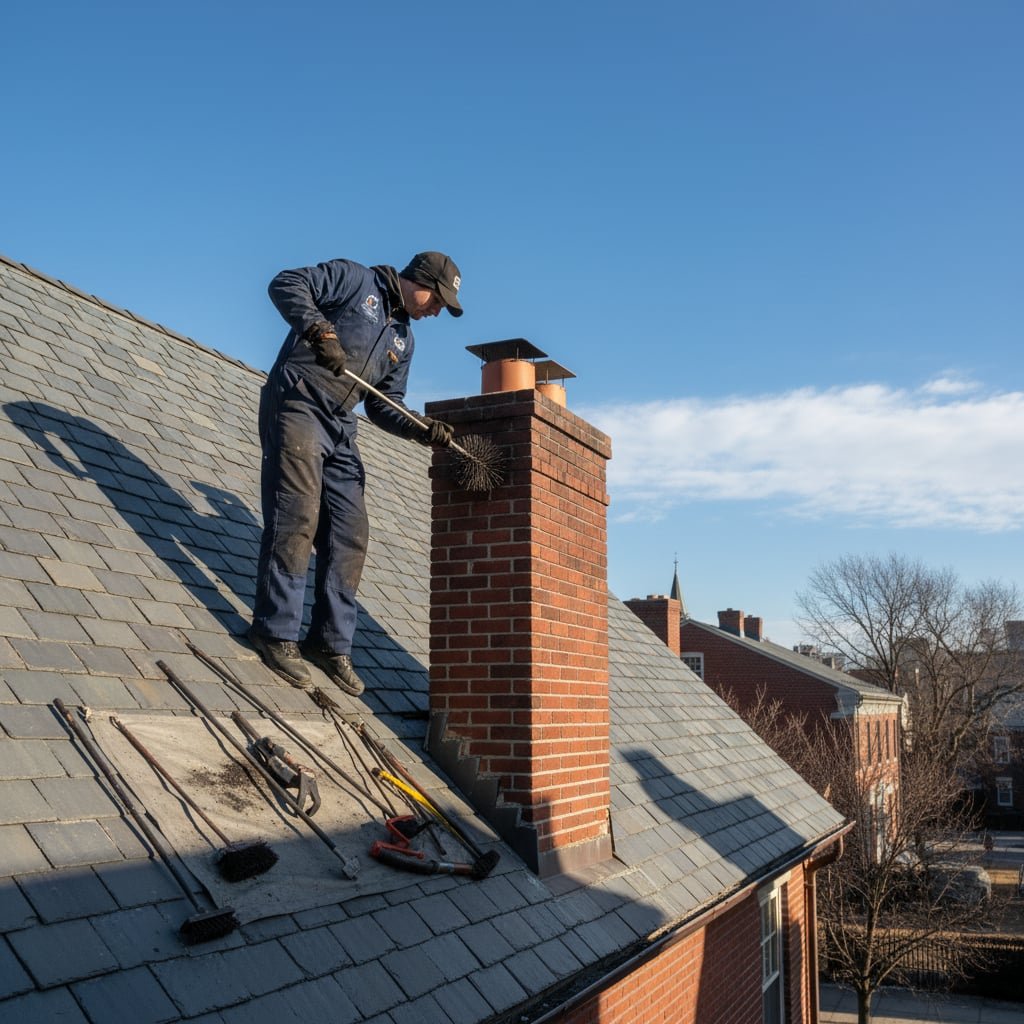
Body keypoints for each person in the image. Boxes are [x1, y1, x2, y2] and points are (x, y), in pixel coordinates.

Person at [248, 252, 463, 694]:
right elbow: (285, 282)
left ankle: (330, 643)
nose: (437, 310)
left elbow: (384, 405)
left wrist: (422, 430)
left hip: (341, 423)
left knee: (351, 531)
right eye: (437, 299)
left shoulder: (403, 338)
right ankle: (276, 632)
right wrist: (319, 330)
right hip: (300, 399)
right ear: (418, 280)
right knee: (298, 514)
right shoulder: (354, 280)